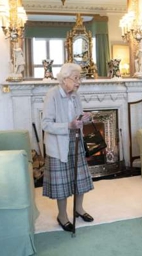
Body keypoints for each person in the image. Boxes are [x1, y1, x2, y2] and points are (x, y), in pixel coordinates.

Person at [42, 63, 94, 232]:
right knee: (62, 183)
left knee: (80, 179)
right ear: (64, 79)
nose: (79, 82)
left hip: (76, 140)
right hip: (59, 145)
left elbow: (76, 117)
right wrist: (68, 126)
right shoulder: (52, 95)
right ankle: (62, 215)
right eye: (76, 78)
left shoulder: (75, 96)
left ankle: (79, 209)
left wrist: (84, 118)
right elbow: (46, 124)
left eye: (80, 78)